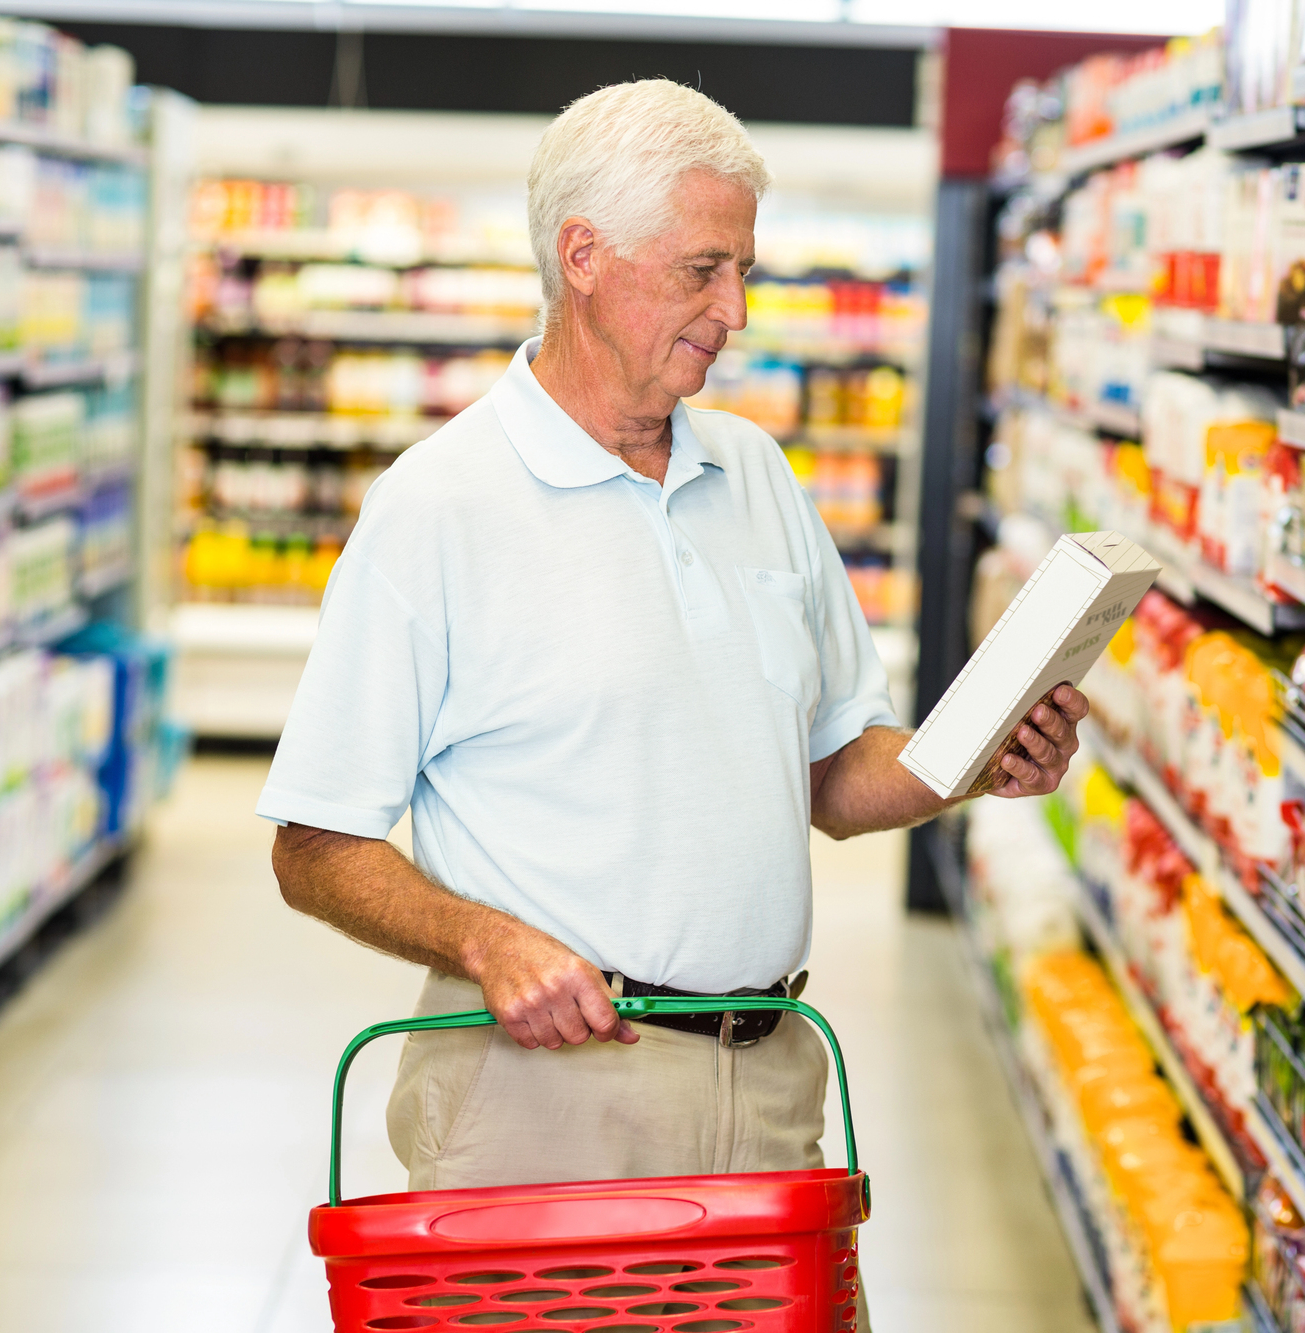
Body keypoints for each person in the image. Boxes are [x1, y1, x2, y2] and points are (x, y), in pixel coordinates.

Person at [260, 79, 1086, 1204]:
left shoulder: (754, 474)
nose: (735, 310)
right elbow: (313, 844)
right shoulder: (438, 507)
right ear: (584, 255)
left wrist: (976, 758)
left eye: (743, 269)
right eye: (705, 269)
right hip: (540, 1098)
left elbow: (833, 776)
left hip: (770, 1078)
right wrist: (481, 943)